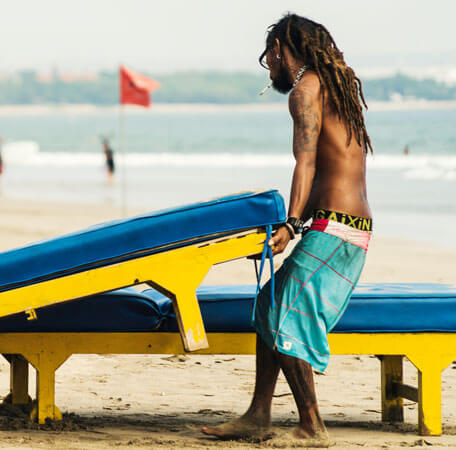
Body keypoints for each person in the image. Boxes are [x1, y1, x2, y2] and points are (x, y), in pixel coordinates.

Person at [202, 13, 373, 446]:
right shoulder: (334, 84)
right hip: (338, 223)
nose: (269, 67)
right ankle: (259, 414)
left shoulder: (304, 90)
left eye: (268, 57)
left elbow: (307, 162)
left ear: (279, 48)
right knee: (268, 305)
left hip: (337, 227)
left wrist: (291, 225)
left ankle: (312, 426)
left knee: (283, 317)